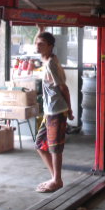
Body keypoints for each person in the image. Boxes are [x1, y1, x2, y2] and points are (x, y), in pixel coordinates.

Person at [34, 29, 73, 193]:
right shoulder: (48, 58)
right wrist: (40, 30)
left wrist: (70, 109)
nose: (37, 46)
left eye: (41, 44)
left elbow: (64, 88)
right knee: (40, 144)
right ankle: (55, 178)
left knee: (55, 147)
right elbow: (40, 40)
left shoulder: (51, 64)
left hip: (57, 110)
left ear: (50, 46)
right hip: (49, 111)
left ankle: (56, 180)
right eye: (36, 43)